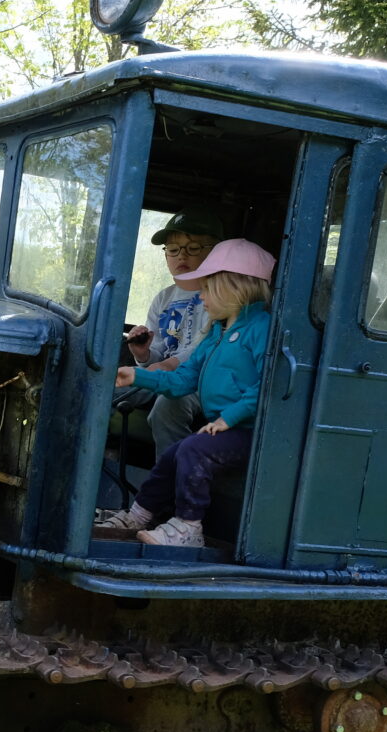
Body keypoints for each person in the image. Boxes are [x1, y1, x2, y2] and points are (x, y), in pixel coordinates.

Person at [93, 238, 276, 547]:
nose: (201, 297)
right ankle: (138, 515)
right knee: (175, 453)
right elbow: (181, 381)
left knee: (193, 448)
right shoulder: (217, 334)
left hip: (248, 430)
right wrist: (135, 375)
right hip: (227, 426)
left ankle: (189, 526)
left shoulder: (261, 328)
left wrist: (226, 420)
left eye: (205, 289)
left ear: (232, 287)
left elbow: (266, 387)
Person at [115, 208, 224, 458]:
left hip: (201, 379)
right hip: (166, 372)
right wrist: (143, 354)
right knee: (105, 391)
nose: (181, 256)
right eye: (173, 250)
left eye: (193, 248)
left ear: (214, 252)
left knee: (167, 406)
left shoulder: (220, 295)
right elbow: (158, 354)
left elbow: (206, 346)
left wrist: (167, 365)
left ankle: (171, 479)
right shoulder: (164, 298)